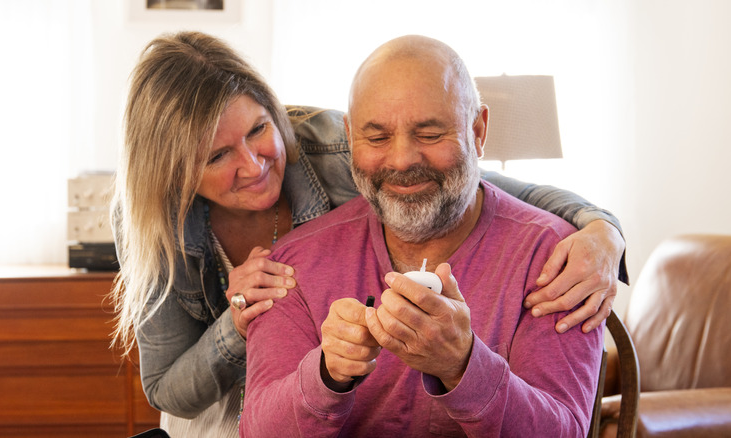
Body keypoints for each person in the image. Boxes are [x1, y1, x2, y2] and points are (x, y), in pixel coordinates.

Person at [109, 31, 623, 436]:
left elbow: (478, 183)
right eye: (217, 156)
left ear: (478, 131)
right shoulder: (268, 254)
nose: (252, 163)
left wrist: (603, 230)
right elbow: (173, 390)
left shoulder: (554, 259)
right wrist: (311, 363)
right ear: (173, 174)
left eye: (258, 130)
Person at [241, 35, 605, 437]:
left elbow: (564, 432)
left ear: (478, 130)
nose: (402, 160)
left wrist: (463, 366)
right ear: (349, 136)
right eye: (377, 137)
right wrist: (326, 374)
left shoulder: (557, 260)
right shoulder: (293, 263)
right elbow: (257, 431)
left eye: (430, 134)